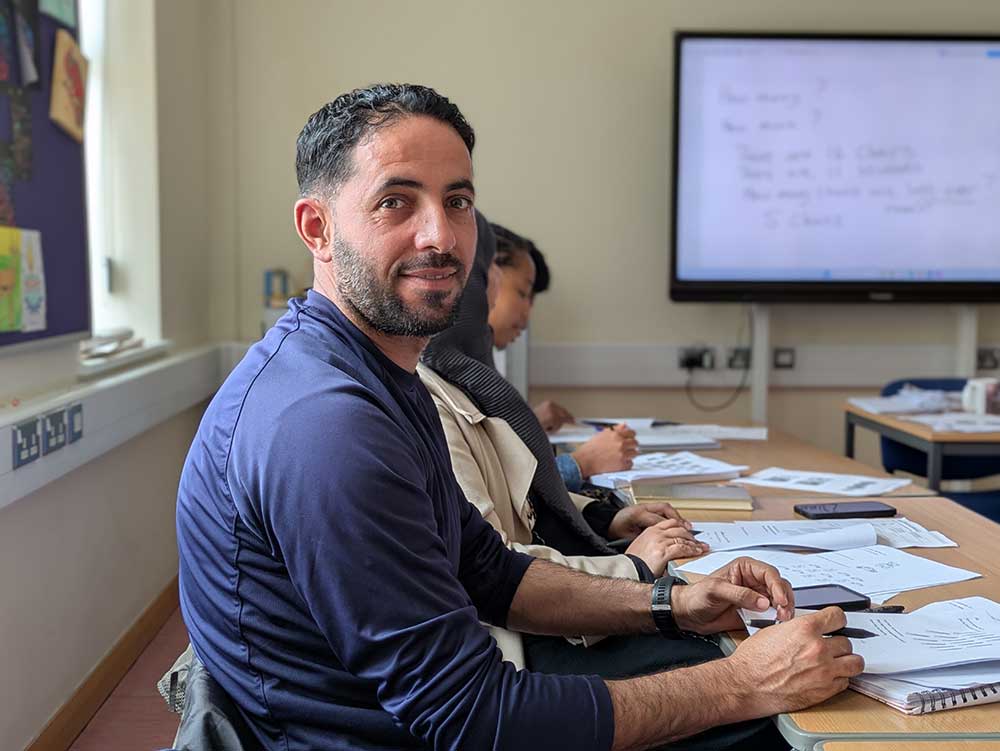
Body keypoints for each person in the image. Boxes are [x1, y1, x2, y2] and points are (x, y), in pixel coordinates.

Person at [176, 83, 863, 751]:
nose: (441, 236)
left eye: (459, 201)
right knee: (793, 724)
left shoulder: (376, 373)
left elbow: (492, 572)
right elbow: (474, 719)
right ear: (317, 228)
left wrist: (670, 602)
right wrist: (742, 684)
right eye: (396, 201)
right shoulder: (327, 427)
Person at [489, 224, 636, 490]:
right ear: (485, 279)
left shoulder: (476, 367)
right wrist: (582, 463)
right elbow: (503, 496)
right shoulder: (441, 376)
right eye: (522, 294)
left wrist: (527, 423)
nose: (527, 313)